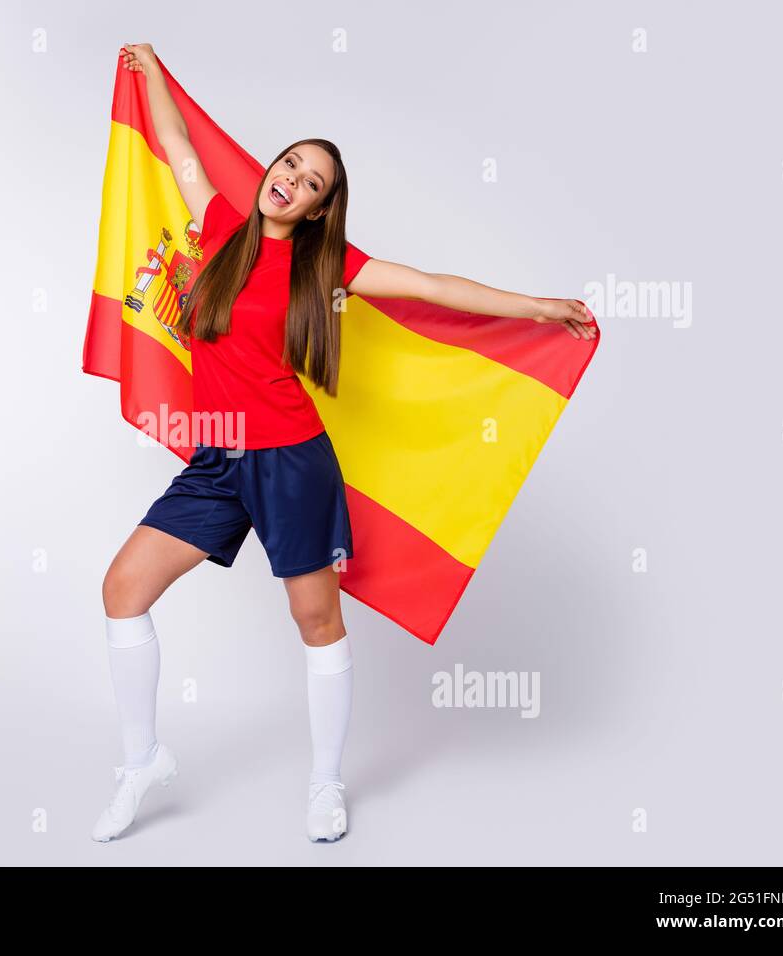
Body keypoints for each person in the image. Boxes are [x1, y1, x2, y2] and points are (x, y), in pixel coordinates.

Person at [92, 42, 597, 844]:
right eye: (288, 162)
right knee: (124, 589)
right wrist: (151, 72)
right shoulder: (220, 226)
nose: (291, 178)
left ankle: (326, 785)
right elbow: (180, 149)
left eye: (312, 181)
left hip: (292, 463)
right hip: (218, 460)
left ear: (321, 208)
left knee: (314, 621)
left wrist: (537, 307)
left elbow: (434, 287)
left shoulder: (327, 269)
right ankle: (142, 758)